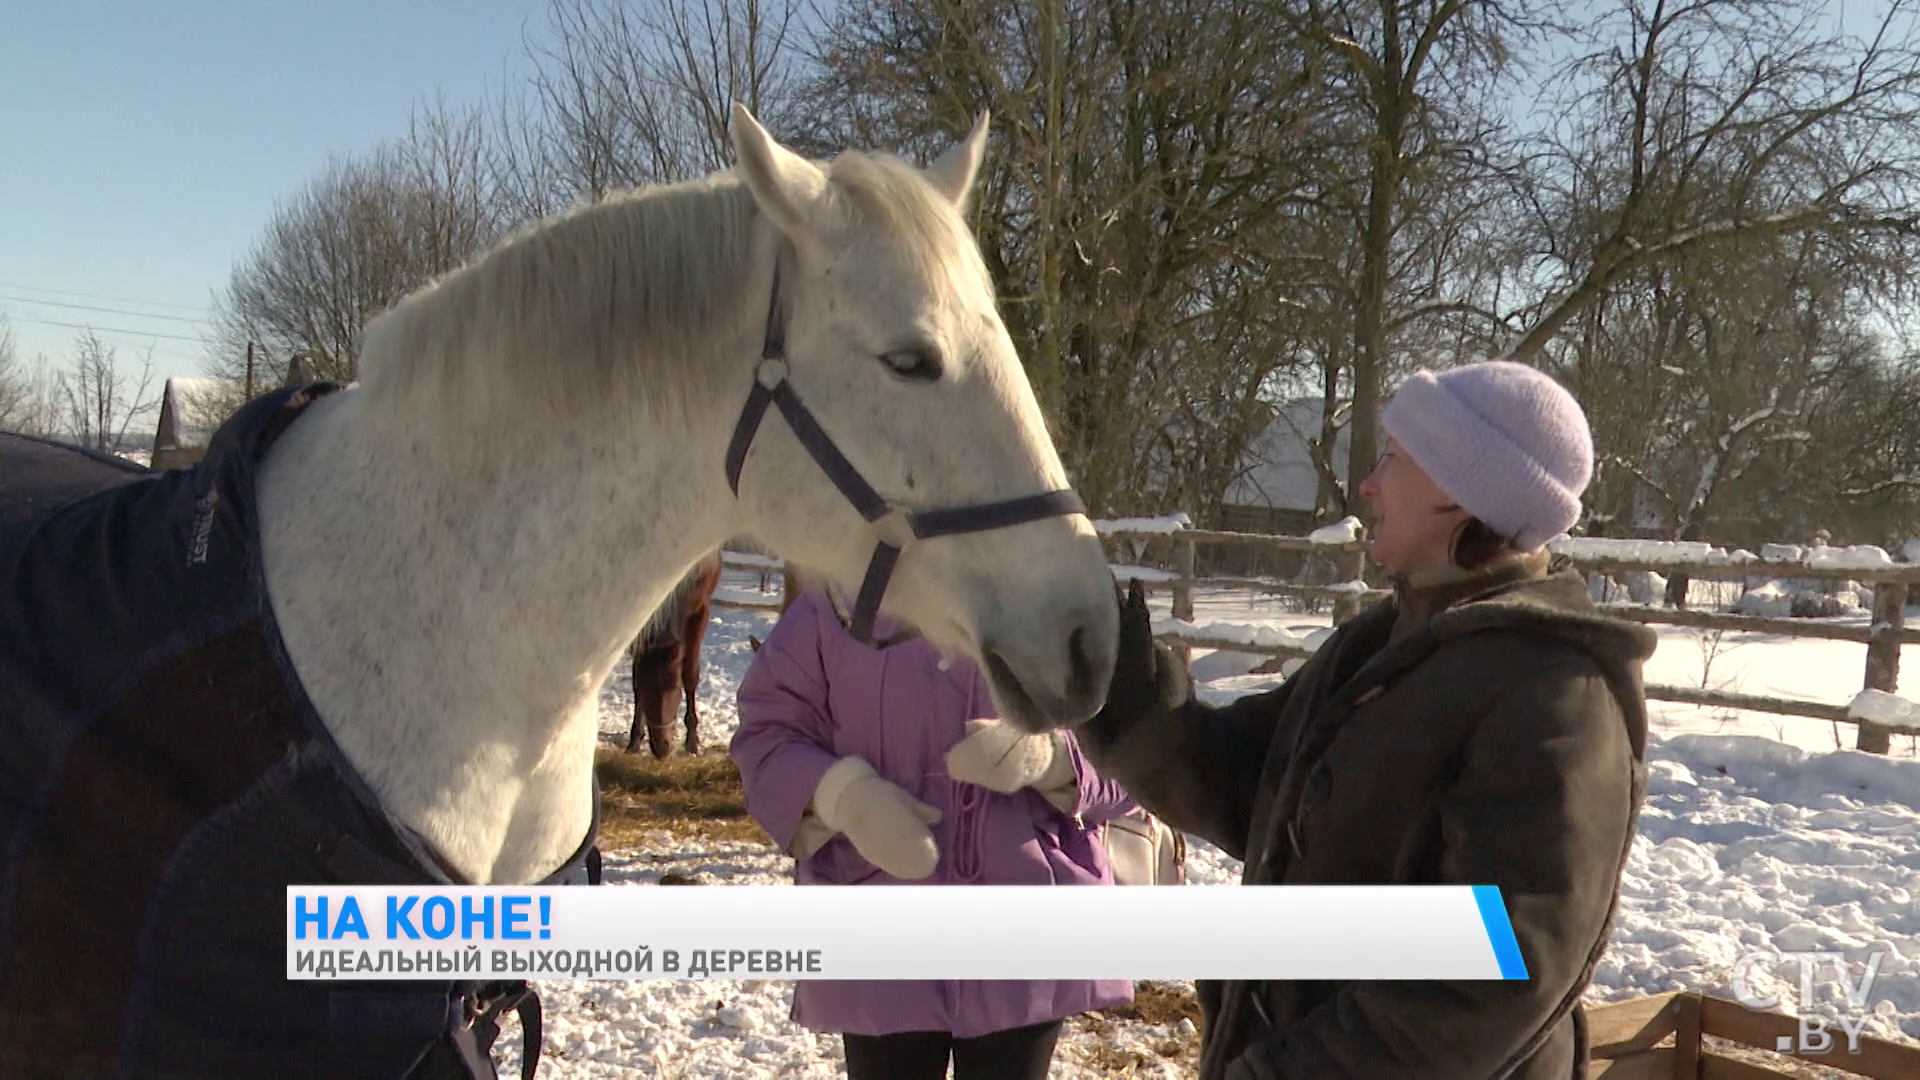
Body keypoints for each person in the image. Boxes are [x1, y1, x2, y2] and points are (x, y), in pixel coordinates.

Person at [1080, 360, 1658, 1080]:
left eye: (1394, 458)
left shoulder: (1555, 695)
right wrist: (1118, 694)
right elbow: (1246, 782)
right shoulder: (1381, 642)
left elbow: (1495, 971)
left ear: (1457, 490)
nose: (1369, 484)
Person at [730, 582, 1137, 1080]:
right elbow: (767, 735)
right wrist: (841, 797)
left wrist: (1052, 762)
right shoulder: (834, 605)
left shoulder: (1059, 590)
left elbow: (1139, 747)